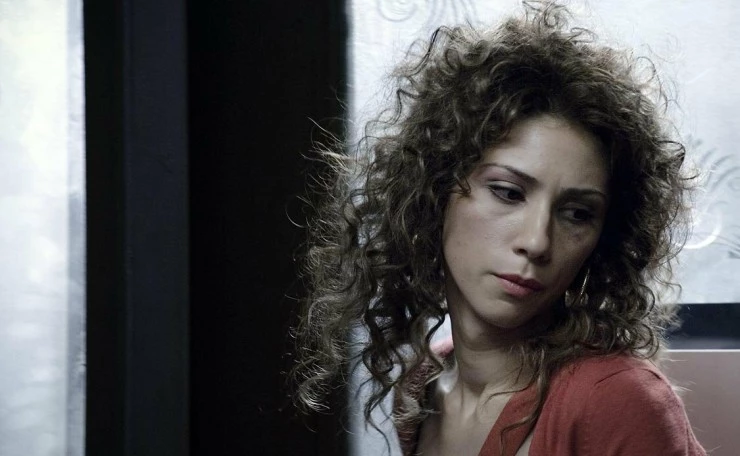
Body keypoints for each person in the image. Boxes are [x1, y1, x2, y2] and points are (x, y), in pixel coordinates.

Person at [292, 2, 707, 455]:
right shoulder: (421, 391)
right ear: (436, 190)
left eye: (577, 213)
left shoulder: (615, 399)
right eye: (508, 193)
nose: (536, 242)